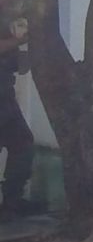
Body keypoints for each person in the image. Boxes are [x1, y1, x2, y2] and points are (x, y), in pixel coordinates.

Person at [0, 15, 45, 220]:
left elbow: (21, 67)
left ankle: (12, 201)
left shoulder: (7, 21)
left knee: (22, 143)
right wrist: (20, 41)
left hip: (5, 96)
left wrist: (33, 47)